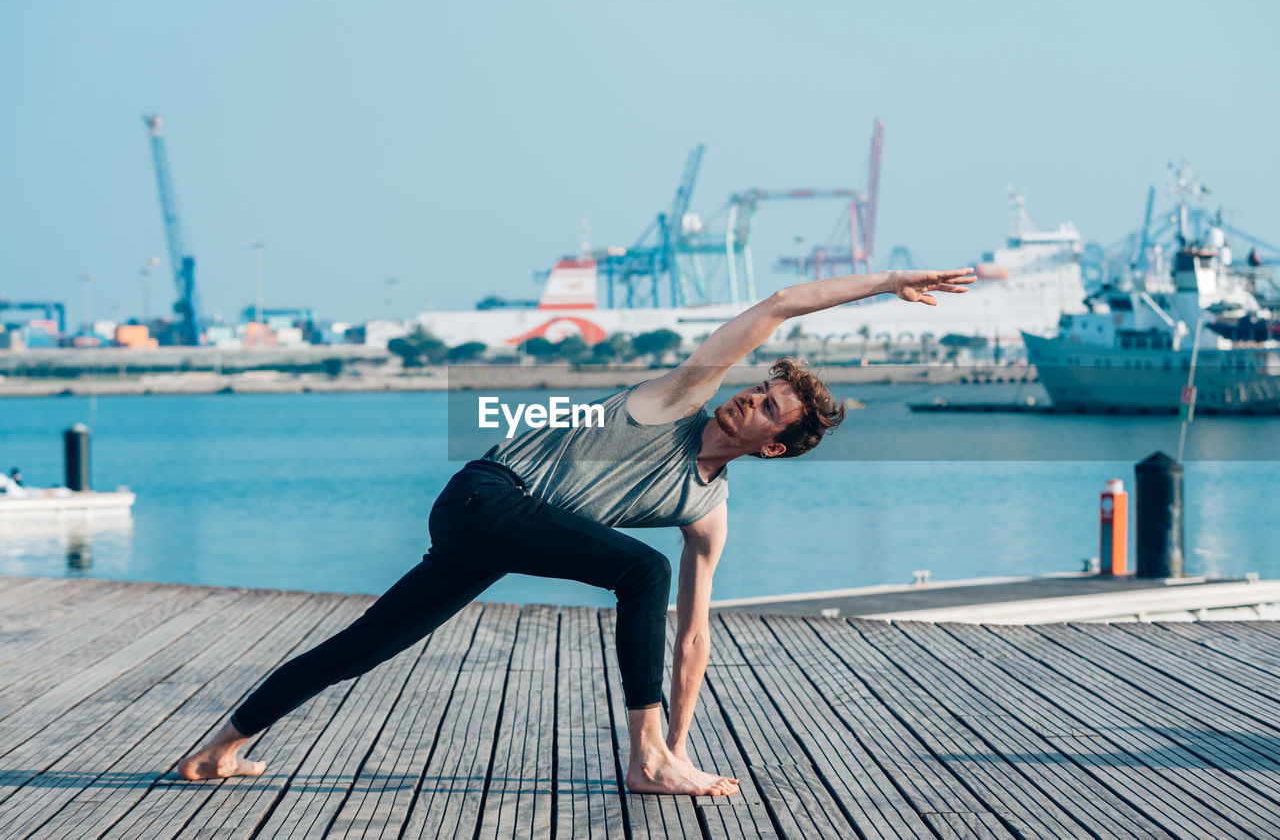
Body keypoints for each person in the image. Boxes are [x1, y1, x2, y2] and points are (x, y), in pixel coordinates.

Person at [177, 267, 975, 794]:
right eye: (759, 388)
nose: (749, 400)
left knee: (366, 644)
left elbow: (693, 640)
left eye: (769, 408)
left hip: (500, 533)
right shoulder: (677, 394)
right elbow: (775, 307)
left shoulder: (707, 512)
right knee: (641, 572)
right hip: (488, 497)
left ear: (774, 445)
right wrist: (890, 283)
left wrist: (683, 743)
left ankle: (217, 749)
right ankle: (644, 758)